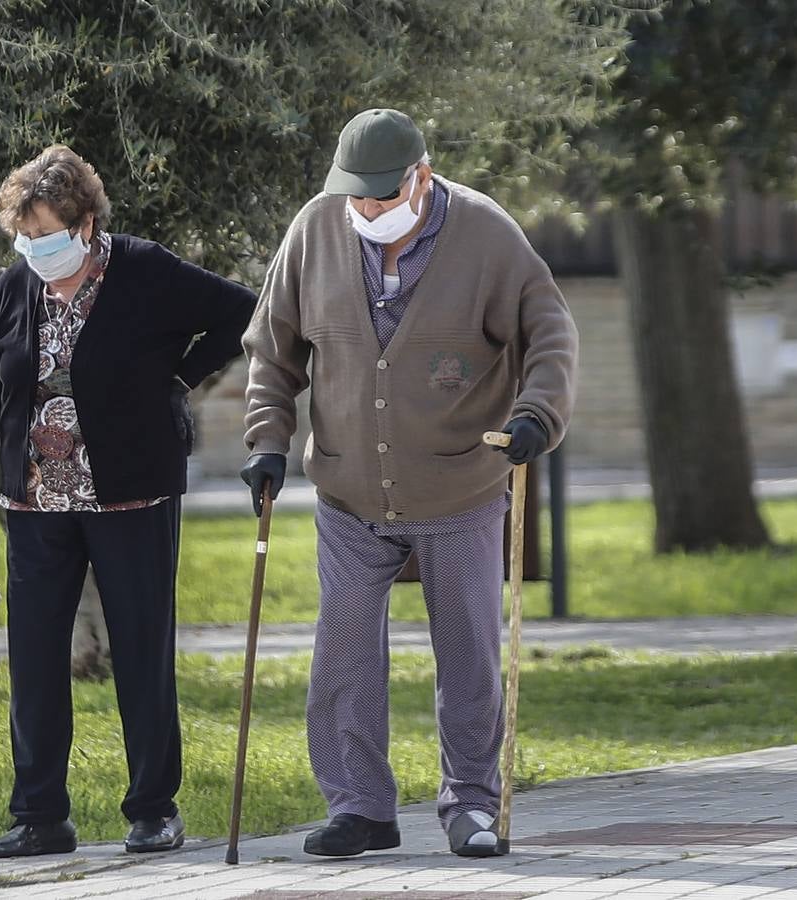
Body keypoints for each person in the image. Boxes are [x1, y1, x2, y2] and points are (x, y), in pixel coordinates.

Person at [240, 109, 577, 858]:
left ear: (421, 177)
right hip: (349, 495)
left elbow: (549, 329)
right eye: (355, 197)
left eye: (382, 198)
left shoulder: (487, 236)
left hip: (461, 487)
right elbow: (273, 348)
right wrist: (267, 438)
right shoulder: (316, 229)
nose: (365, 211)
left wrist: (537, 415)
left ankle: (470, 807)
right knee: (344, 654)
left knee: (467, 654)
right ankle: (361, 808)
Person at [0, 144, 256, 859]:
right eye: (25, 234)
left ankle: (153, 810)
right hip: (37, 504)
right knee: (35, 660)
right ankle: (40, 815)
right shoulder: (16, 289)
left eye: (46, 233)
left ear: (86, 223)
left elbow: (243, 312)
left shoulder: (144, 270)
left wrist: (180, 376)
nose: (34, 247)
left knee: (141, 652)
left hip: (133, 497)